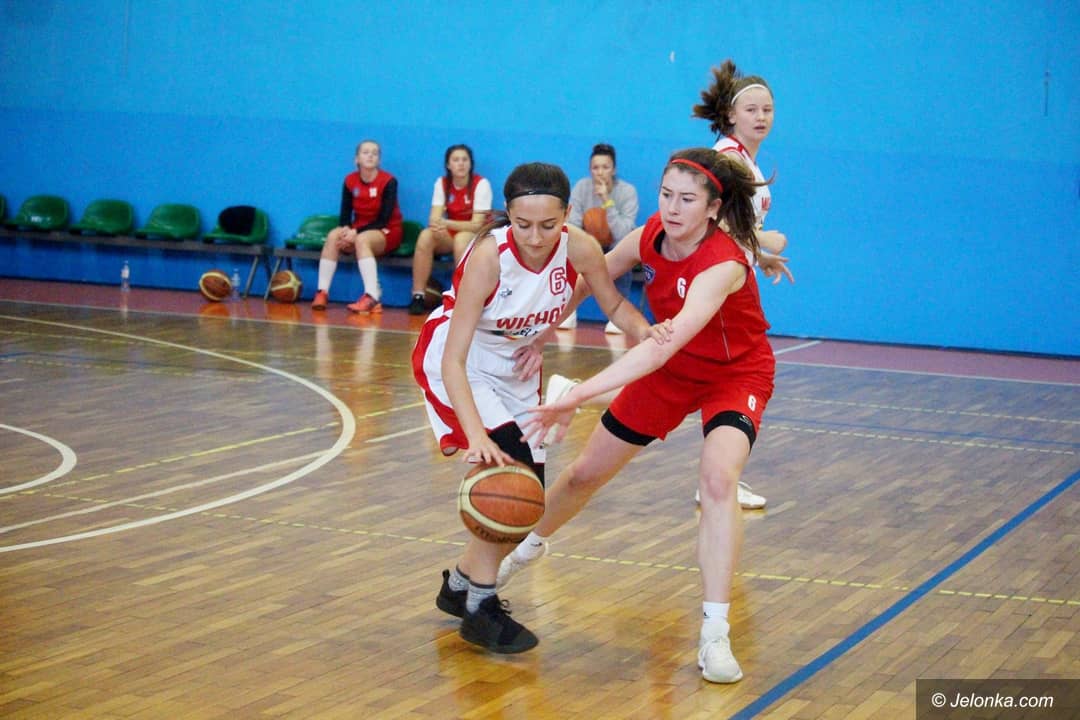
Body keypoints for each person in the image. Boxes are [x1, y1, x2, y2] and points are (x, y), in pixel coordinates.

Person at [500, 149, 774, 683]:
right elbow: (592, 275)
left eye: (687, 199)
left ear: (713, 209)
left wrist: (578, 395)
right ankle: (518, 554)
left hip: (734, 374)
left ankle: (714, 634)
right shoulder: (649, 235)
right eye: (666, 194)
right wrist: (544, 328)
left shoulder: (721, 264)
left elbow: (659, 348)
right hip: (671, 374)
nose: (672, 208)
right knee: (583, 474)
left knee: (718, 480)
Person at [412, 162, 664, 654]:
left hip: (515, 366)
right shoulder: (489, 257)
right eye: (522, 224)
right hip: (461, 362)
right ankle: (480, 609)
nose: (534, 237)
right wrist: (477, 436)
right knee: (511, 477)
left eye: (548, 225)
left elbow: (614, 305)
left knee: (526, 501)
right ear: (508, 215)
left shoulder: (580, 247)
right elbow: (453, 359)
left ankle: (459, 586)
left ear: (566, 215)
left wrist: (647, 332)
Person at [690, 60, 793, 508]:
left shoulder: (744, 158)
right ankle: (718, 478)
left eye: (767, 109)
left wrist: (759, 255)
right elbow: (715, 221)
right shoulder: (729, 159)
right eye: (752, 109)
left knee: (715, 377)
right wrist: (766, 240)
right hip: (717, 279)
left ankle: (719, 476)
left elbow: (735, 230)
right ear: (732, 114)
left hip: (733, 276)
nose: (761, 116)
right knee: (729, 374)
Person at [310, 140, 403, 314]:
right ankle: (322, 291)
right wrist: (346, 231)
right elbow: (345, 214)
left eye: (375, 153)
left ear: (379, 159)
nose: (370, 156)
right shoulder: (350, 180)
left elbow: (383, 219)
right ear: (356, 159)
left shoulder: (389, 181)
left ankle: (372, 296)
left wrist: (355, 233)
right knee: (334, 235)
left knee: (361, 240)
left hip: (387, 231)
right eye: (365, 152)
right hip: (358, 230)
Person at [560, 143, 639, 333]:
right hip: (590, 244)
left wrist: (607, 202)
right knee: (567, 253)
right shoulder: (581, 188)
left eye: (605, 167)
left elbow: (623, 232)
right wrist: (589, 246)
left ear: (614, 169)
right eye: (595, 168)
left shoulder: (627, 192)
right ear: (590, 170)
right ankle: (568, 311)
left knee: (623, 254)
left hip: (615, 245)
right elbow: (573, 224)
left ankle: (618, 318)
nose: (600, 172)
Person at [408, 144, 494, 315]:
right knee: (426, 235)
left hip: (476, 236)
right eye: (456, 160)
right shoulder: (442, 183)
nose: (461, 163)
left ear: (471, 163)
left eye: (465, 160)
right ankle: (418, 295)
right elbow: (434, 219)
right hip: (453, 234)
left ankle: (463, 297)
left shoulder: (481, 184)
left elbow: (476, 224)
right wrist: (439, 225)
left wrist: (446, 223)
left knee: (461, 239)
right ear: (448, 165)